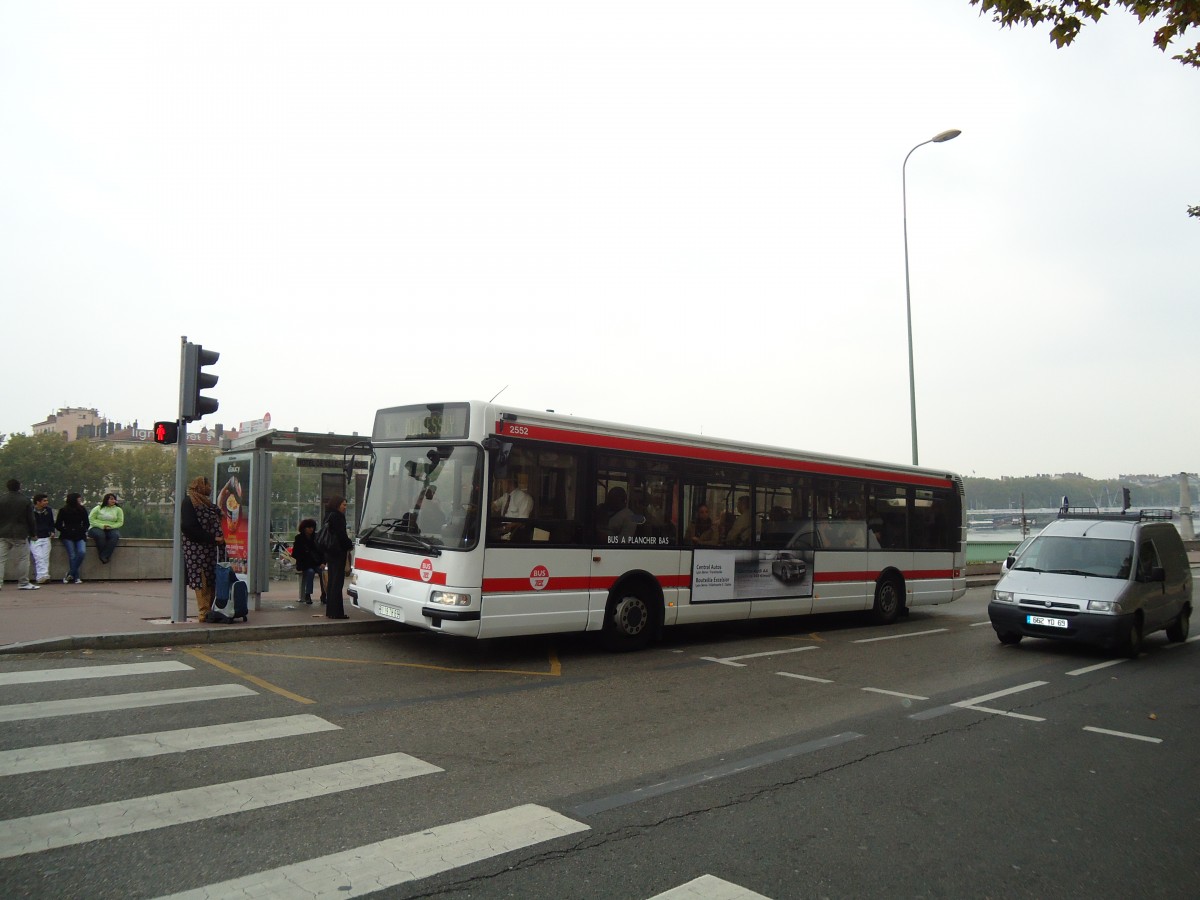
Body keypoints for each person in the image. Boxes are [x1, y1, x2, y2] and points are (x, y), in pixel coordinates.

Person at [180, 476, 224, 622]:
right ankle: (203, 612)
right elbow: (188, 527)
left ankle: (209, 611)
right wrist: (211, 538)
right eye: (208, 485)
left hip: (211, 550)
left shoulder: (207, 503)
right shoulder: (190, 501)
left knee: (211, 578)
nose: (210, 488)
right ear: (200, 486)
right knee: (201, 580)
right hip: (196, 549)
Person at [0, 479, 39, 591]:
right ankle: (23, 582)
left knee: (1, 559)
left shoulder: (1, 499)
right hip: (20, 533)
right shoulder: (25, 500)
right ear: (19, 487)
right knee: (23, 558)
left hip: (3, 533)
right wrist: (33, 533)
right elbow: (31, 519)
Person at [321, 495, 353, 619]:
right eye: (343, 505)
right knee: (337, 583)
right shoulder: (338, 517)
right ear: (337, 505)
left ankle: (330, 611)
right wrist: (349, 545)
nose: (345, 507)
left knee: (332, 582)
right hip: (338, 552)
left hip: (330, 552)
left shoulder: (328, 515)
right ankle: (337, 612)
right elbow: (341, 535)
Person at [55, 492, 89, 583]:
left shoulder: (82, 509)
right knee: (72, 555)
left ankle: (70, 574)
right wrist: (65, 530)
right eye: (79, 498)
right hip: (67, 535)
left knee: (82, 552)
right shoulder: (63, 510)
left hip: (80, 534)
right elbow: (58, 524)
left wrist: (82, 530)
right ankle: (76, 577)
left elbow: (86, 523)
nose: (80, 500)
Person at [292, 517, 325, 605]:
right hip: (304, 564)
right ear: (304, 528)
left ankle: (324, 593)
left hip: (316, 563)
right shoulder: (299, 538)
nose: (311, 529)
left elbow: (322, 551)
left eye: (312, 527)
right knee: (310, 572)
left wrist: (323, 562)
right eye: (309, 527)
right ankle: (308, 594)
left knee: (323, 572)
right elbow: (295, 553)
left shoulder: (316, 538)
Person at [490, 473, 532, 540]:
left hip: (514, 532)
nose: (500, 485)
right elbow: (494, 505)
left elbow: (522, 521)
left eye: (502, 482)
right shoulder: (506, 496)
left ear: (508, 482)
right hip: (502, 527)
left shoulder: (524, 498)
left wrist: (505, 528)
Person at [88, 493, 123, 564]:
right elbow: (91, 519)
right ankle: (103, 555)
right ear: (106, 500)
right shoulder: (98, 508)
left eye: (114, 499)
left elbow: (120, 522)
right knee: (100, 535)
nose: (113, 501)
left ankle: (104, 555)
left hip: (111, 528)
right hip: (96, 527)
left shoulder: (118, 509)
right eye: (111, 499)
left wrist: (111, 527)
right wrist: (102, 526)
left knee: (115, 536)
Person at [30, 493, 55, 583]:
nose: (46, 502)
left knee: (45, 557)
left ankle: (43, 576)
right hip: (35, 538)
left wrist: (52, 531)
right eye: (44, 501)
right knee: (39, 557)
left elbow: (51, 522)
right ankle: (43, 576)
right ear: (38, 502)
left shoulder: (48, 510)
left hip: (46, 536)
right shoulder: (30, 511)